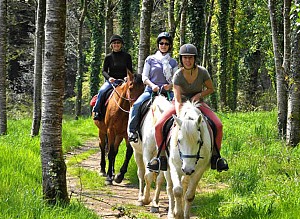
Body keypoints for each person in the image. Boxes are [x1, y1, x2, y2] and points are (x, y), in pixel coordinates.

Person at [147, 43, 229, 172]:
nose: (188, 60)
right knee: (158, 126)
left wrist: (199, 95)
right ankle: (160, 158)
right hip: (180, 103)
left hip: (198, 103)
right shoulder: (178, 75)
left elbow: (211, 88)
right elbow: (178, 100)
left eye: (190, 57)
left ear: (195, 59)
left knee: (218, 125)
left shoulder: (202, 72)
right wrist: (180, 118)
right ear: (181, 59)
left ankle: (216, 157)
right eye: (185, 58)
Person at [127, 32, 178, 142]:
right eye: (161, 43)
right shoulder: (150, 59)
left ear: (169, 46)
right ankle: (133, 131)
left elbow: (176, 78)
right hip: (151, 90)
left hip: (167, 92)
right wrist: (153, 85)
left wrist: (170, 86)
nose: (163, 45)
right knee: (136, 105)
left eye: (166, 44)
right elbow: (145, 77)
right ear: (158, 45)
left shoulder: (173, 62)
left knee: (180, 106)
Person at [93, 34, 133, 120]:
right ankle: (97, 111)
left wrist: (127, 77)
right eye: (114, 43)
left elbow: (130, 70)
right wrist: (109, 78)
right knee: (102, 91)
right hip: (112, 81)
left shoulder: (127, 56)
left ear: (121, 44)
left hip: (124, 81)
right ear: (111, 45)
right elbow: (104, 71)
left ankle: (134, 114)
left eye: (118, 43)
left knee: (134, 93)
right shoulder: (108, 57)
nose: (116, 44)